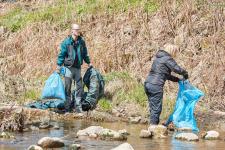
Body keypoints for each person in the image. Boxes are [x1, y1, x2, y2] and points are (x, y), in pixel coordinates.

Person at [144, 44, 188, 125]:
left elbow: (165, 75)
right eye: (175, 52)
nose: (175, 55)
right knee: (156, 109)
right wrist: (185, 73)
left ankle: (151, 127)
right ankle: (153, 128)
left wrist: (177, 79)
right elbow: (176, 69)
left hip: (148, 84)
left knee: (153, 107)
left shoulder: (158, 59)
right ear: (172, 51)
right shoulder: (168, 59)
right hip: (156, 86)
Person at [56, 24, 91, 113]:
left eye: (78, 30)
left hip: (78, 67)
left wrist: (88, 62)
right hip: (68, 68)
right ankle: (67, 107)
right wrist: (59, 66)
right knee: (68, 87)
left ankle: (78, 107)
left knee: (79, 87)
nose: (77, 31)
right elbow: (61, 55)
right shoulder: (66, 42)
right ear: (72, 31)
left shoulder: (81, 42)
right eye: (75, 30)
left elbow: (85, 53)